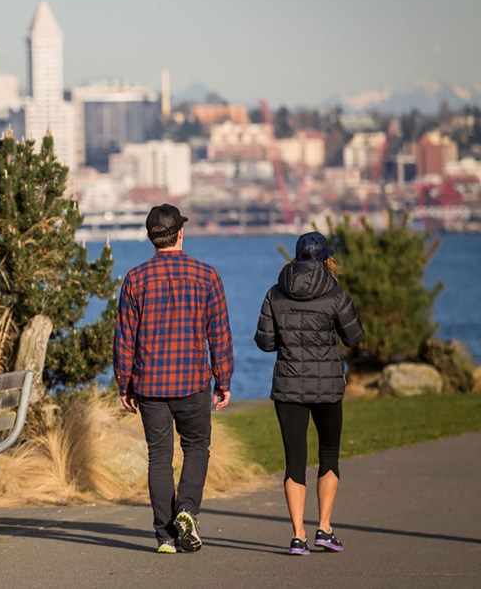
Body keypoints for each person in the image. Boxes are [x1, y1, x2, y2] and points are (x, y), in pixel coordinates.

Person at [114, 204, 235, 554]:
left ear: (152, 237)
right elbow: (220, 335)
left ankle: (165, 536)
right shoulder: (207, 275)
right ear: (180, 233)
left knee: (159, 457)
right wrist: (223, 379)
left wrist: (125, 384)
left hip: (150, 384)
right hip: (193, 382)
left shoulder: (135, 279)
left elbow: (125, 338)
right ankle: (186, 510)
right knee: (197, 447)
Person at [254, 231, 364, 555]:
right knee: (328, 454)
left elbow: (264, 341)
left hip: (288, 386)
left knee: (294, 462)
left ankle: (298, 535)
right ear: (326, 258)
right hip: (328, 386)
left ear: (296, 257)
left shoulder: (275, 293)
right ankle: (325, 528)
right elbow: (354, 336)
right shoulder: (335, 293)